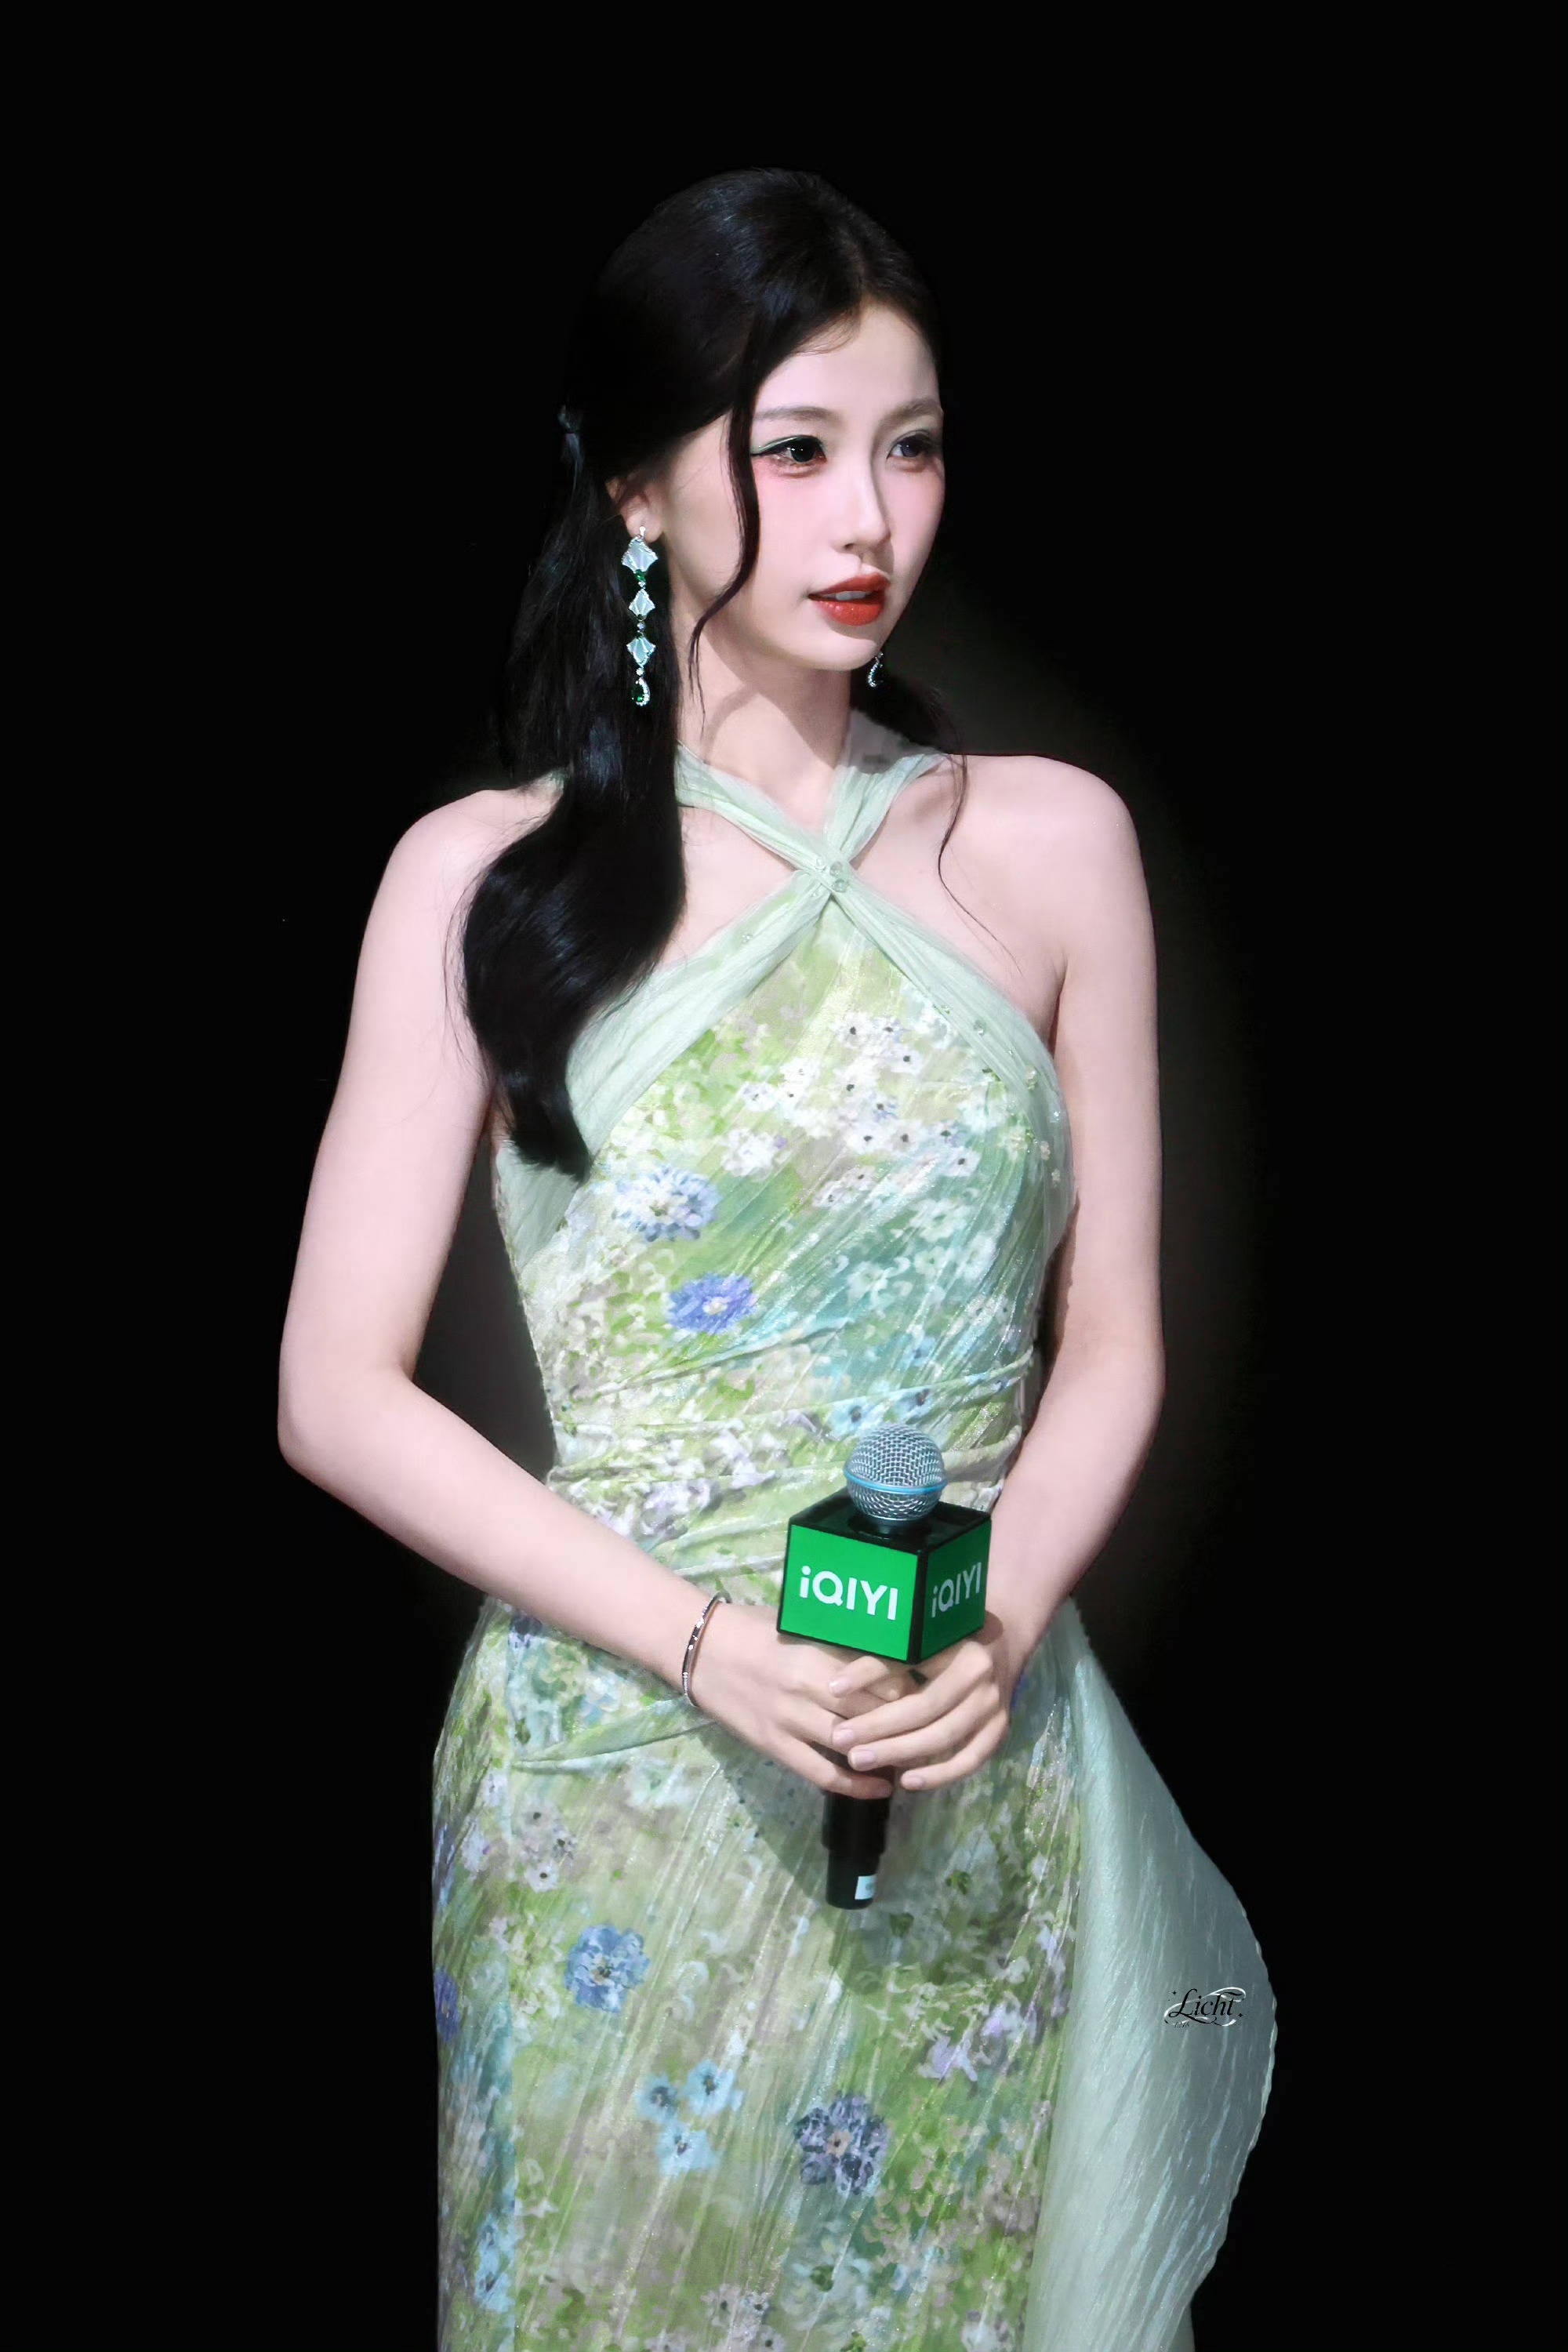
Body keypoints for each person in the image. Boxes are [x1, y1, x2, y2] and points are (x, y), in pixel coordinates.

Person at [278, 167, 1274, 2352]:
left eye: (910, 448)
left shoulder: (1047, 841)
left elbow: (1114, 1338)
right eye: (797, 450)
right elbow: (334, 1389)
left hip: (961, 1752)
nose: (867, 519)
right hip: (609, 1773)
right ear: (639, 492)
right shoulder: (483, 878)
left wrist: (995, 1625)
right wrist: (708, 1642)